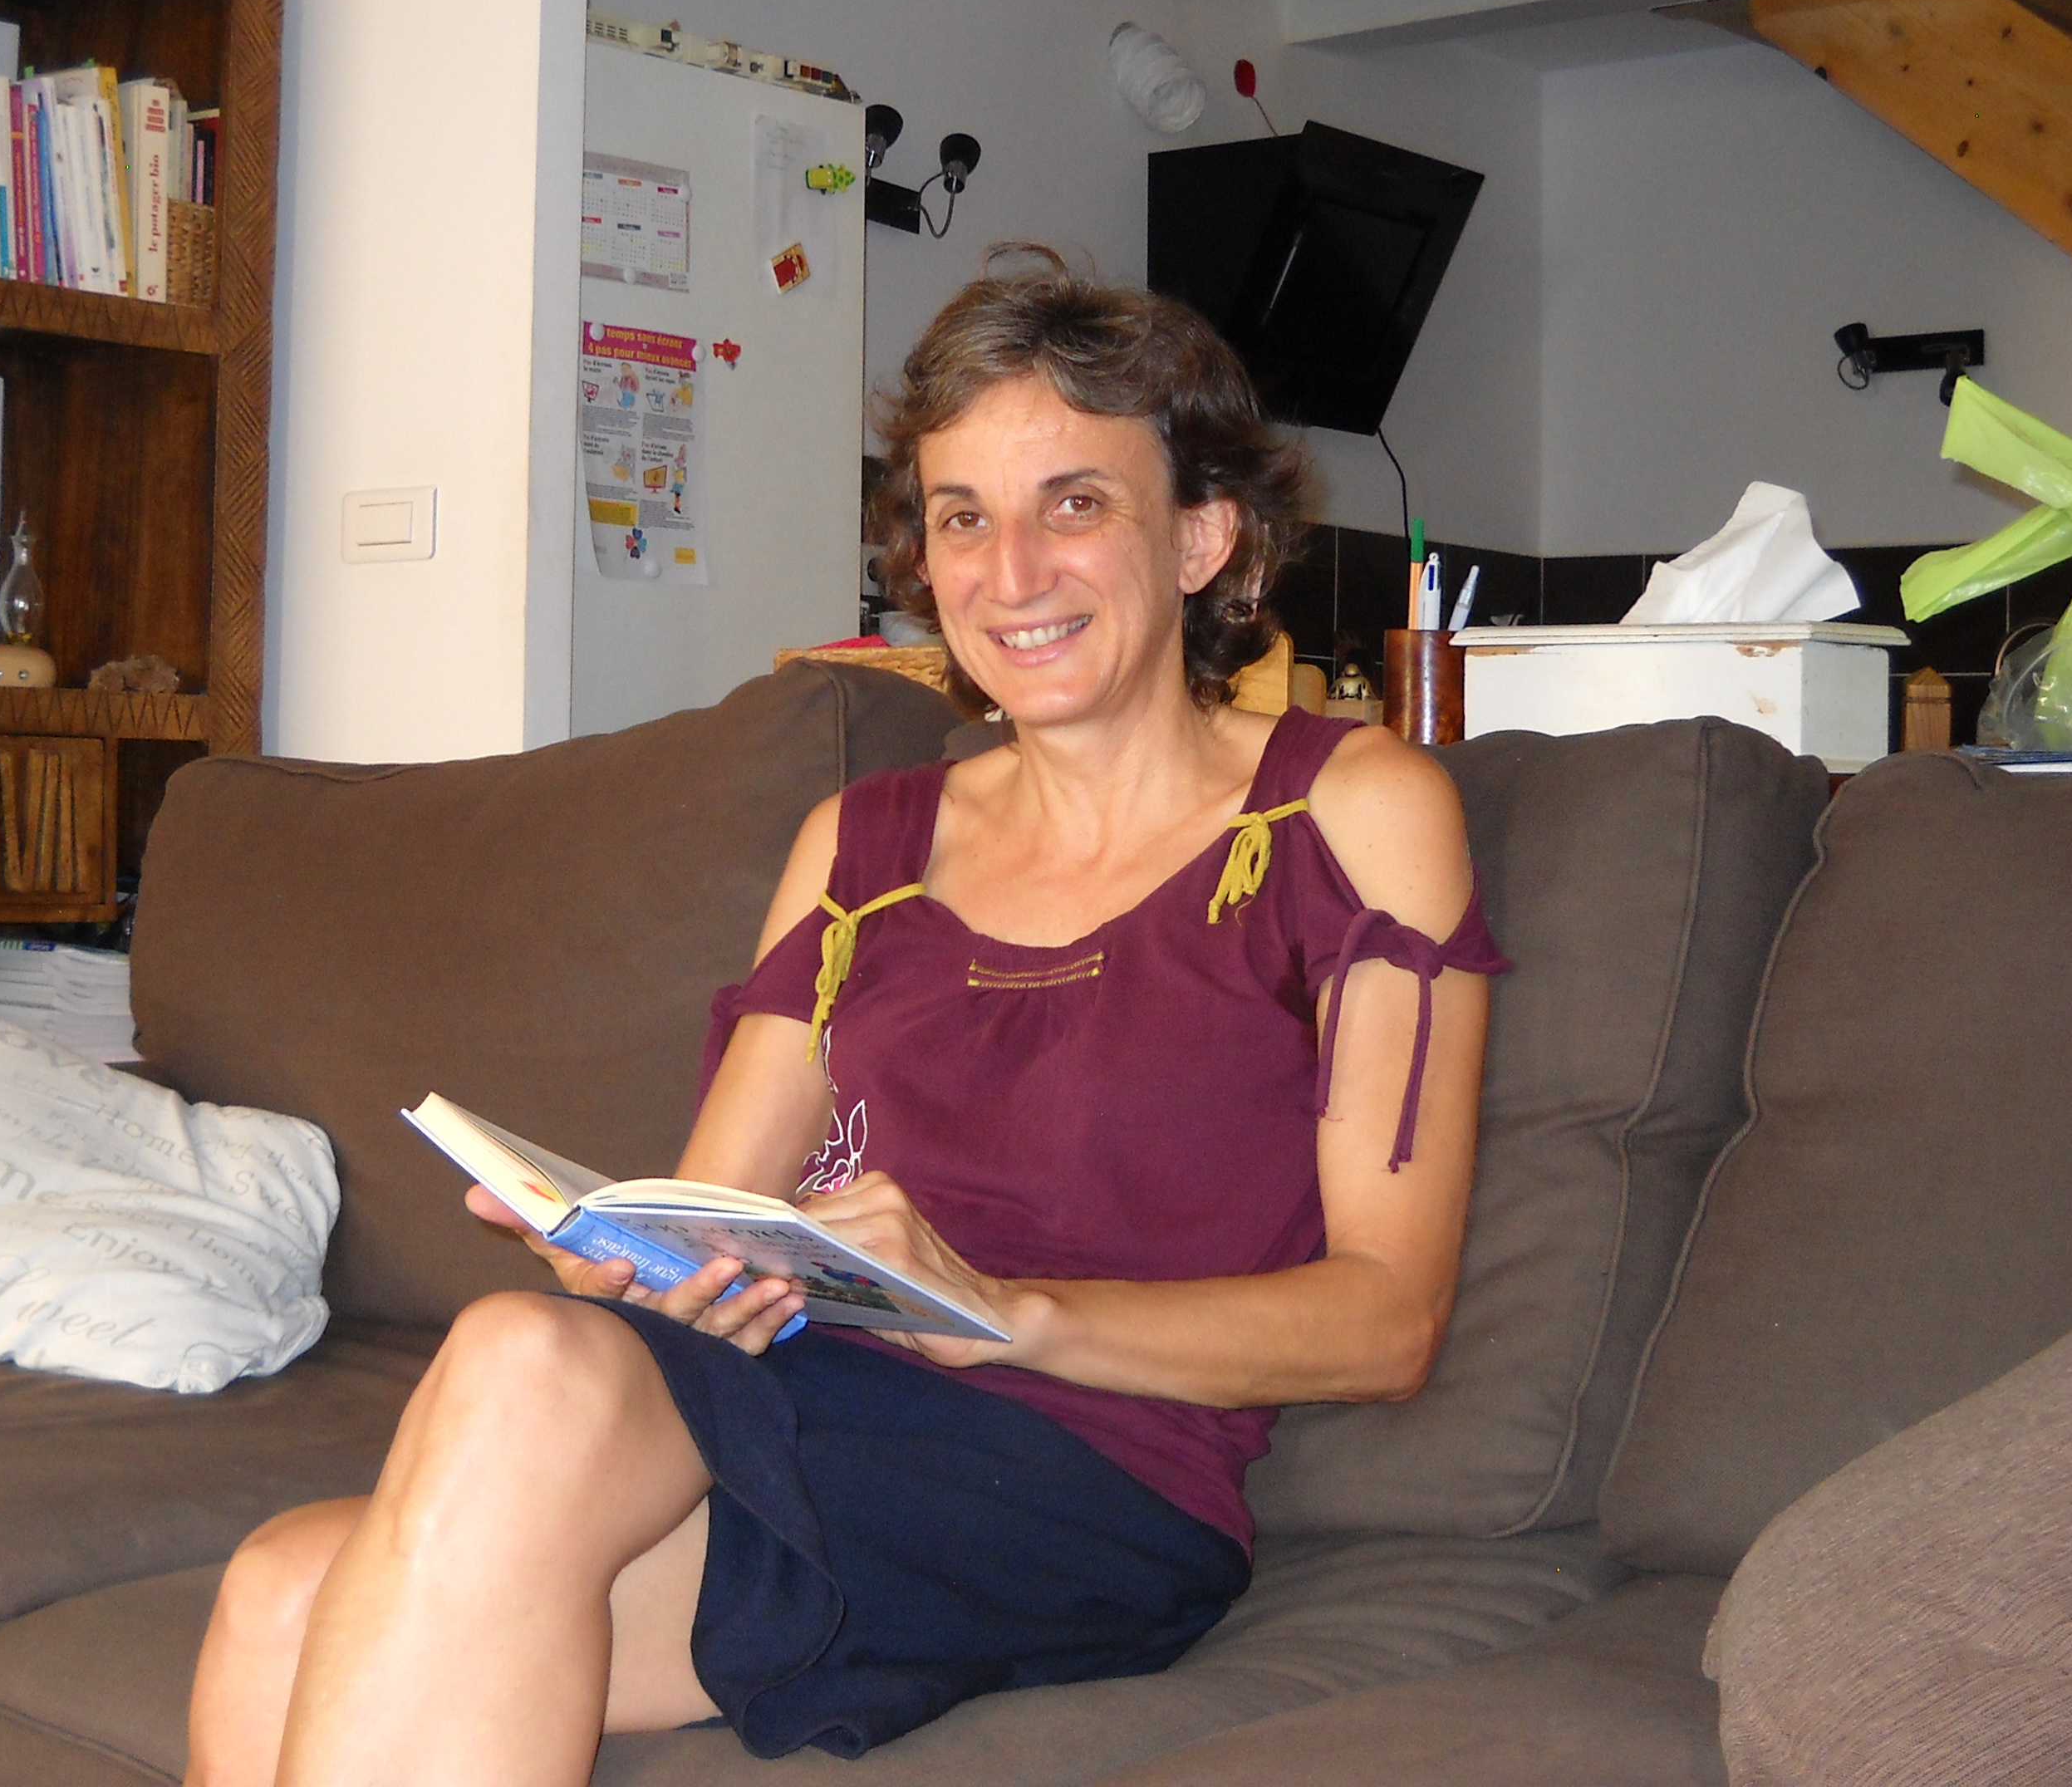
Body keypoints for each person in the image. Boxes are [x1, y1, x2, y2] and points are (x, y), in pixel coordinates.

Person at [184, 247, 1505, 1787]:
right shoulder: (863, 847)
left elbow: (1388, 1321)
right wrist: (632, 1253)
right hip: (806, 1395)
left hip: (1080, 1466)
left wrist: (1003, 1309)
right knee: (288, 1580)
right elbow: (719, 1209)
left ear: (1202, 535)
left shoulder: (1345, 811)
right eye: (963, 518)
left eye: (1075, 503)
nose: (1012, 571)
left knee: (512, 1370)